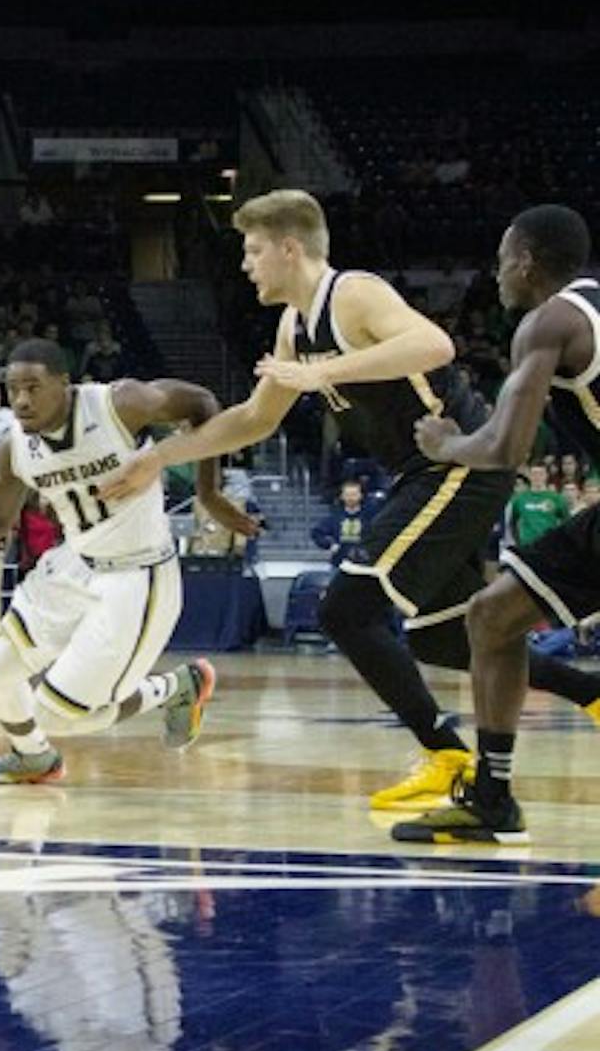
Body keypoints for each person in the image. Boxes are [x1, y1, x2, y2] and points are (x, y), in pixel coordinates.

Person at [101, 190, 600, 812]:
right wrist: (160, 457)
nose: (246, 265)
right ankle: (590, 693)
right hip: (420, 474)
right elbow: (255, 419)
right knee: (442, 638)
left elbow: (434, 345)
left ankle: (447, 756)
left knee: (345, 608)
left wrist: (325, 373)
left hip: (455, 466)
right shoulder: (294, 327)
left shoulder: (353, 293)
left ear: (290, 249)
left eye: (253, 251)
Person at [0, 340, 251, 783]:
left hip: (137, 575)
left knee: (58, 715)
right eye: (13, 390)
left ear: (64, 384)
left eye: (33, 387)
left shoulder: (119, 404)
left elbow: (201, 403)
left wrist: (208, 492)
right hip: (75, 563)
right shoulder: (14, 448)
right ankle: (34, 759)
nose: (21, 400)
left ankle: (177, 686)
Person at [394, 206, 600, 844]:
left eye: (503, 259)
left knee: (491, 616)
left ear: (527, 262)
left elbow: (507, 448)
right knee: (493, 615)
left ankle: (492, 799)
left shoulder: (549, 322)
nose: (497, 272)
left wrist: (445, 444)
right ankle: (491, 798)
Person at [507, 463, 571, 550]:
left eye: (541, 474)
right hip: (527, 545)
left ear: (546, 476)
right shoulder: (519, 499)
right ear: (529, 476)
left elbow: (566, 522)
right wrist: (517, 541)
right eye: (534, 474)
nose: (537, 477)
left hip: (549, 546)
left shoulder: (556, 498)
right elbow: (511, 522)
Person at [311, 480, 372, 566]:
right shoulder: (335, 517)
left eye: (354, 494)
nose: (351, 498)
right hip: (339, 563)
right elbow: (316, 533)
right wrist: (329, 545)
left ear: (361, 495)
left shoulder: (370, 516)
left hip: (364, 564)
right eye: (347, 495)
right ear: (342, 496)